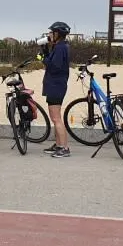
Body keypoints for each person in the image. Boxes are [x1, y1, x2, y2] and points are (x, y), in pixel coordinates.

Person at [40, 22, 72, 158]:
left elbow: (55, 66)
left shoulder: (60, 48)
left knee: (56, 118)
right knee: (55, 117)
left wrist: (43, 59)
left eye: (51, 33)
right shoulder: (60, 46)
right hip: (56, 85)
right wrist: (46, 52)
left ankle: (65, 148)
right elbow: (53, 61)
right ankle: (58, 145)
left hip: (56, 85)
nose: (49, 35)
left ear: (57, 34)